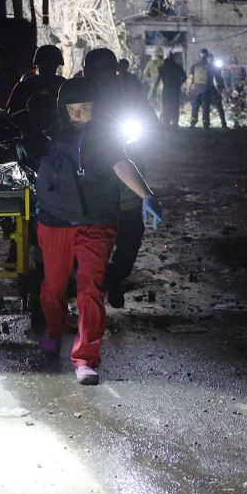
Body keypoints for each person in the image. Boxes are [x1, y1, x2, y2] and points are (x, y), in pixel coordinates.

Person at [34, 77, 162, 385]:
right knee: (53, 286)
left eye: (85, 109)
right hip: (56, 221)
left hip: (96, 221)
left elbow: (122, 164)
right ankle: (53, 330)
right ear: (62, 110)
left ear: (96, 109)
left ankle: (86, 358)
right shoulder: (50, 134)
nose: (78, 115)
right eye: (72, 109)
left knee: (89, 289)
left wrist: (147, 196)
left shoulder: (105, 138)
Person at [82, 49, 156, 310]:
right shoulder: (78, 97)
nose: (104, 76)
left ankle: (113, 278)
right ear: (86, 72)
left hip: (127, 181)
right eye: (97, 71)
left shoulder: (128, 93)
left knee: (130, 239)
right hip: (91, 188)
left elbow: (149, 121)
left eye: (108, 70)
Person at [6, 44, 66, 115]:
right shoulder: (63, 85)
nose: (47, 67)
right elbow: (12, 113)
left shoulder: (63, 85)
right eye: (45, 63)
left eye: (50, 64)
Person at [188, 48, 216, 128]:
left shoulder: (194, 66)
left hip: (196, 89)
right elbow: (214, 79)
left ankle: (193, 122)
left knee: (195, 106)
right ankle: (205, 123)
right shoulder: (210, 66)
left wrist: (188, 89)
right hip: (206, 89)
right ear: (207, 56)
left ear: (199, 56)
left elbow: (190, 78)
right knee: (205, 106)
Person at [157, 52, 186, 126]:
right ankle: (175, 122)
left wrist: (154, 88)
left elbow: (158, 78)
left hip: (166, 89)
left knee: (166, 105)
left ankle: (166, 121)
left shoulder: (162, 67)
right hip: (176, 89)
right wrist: (180, 84)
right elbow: (184, 76)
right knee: (175, 105)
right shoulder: (177, 67)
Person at [207, 53, 230, 129]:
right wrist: (221, 88)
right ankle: (223, 123)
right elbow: (219, 79)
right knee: (218, 106)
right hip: (211, 89)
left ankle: (206, 123)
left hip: (205, 90)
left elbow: (219, 79)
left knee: (206, 107)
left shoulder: (204, 67)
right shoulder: (214, 67)